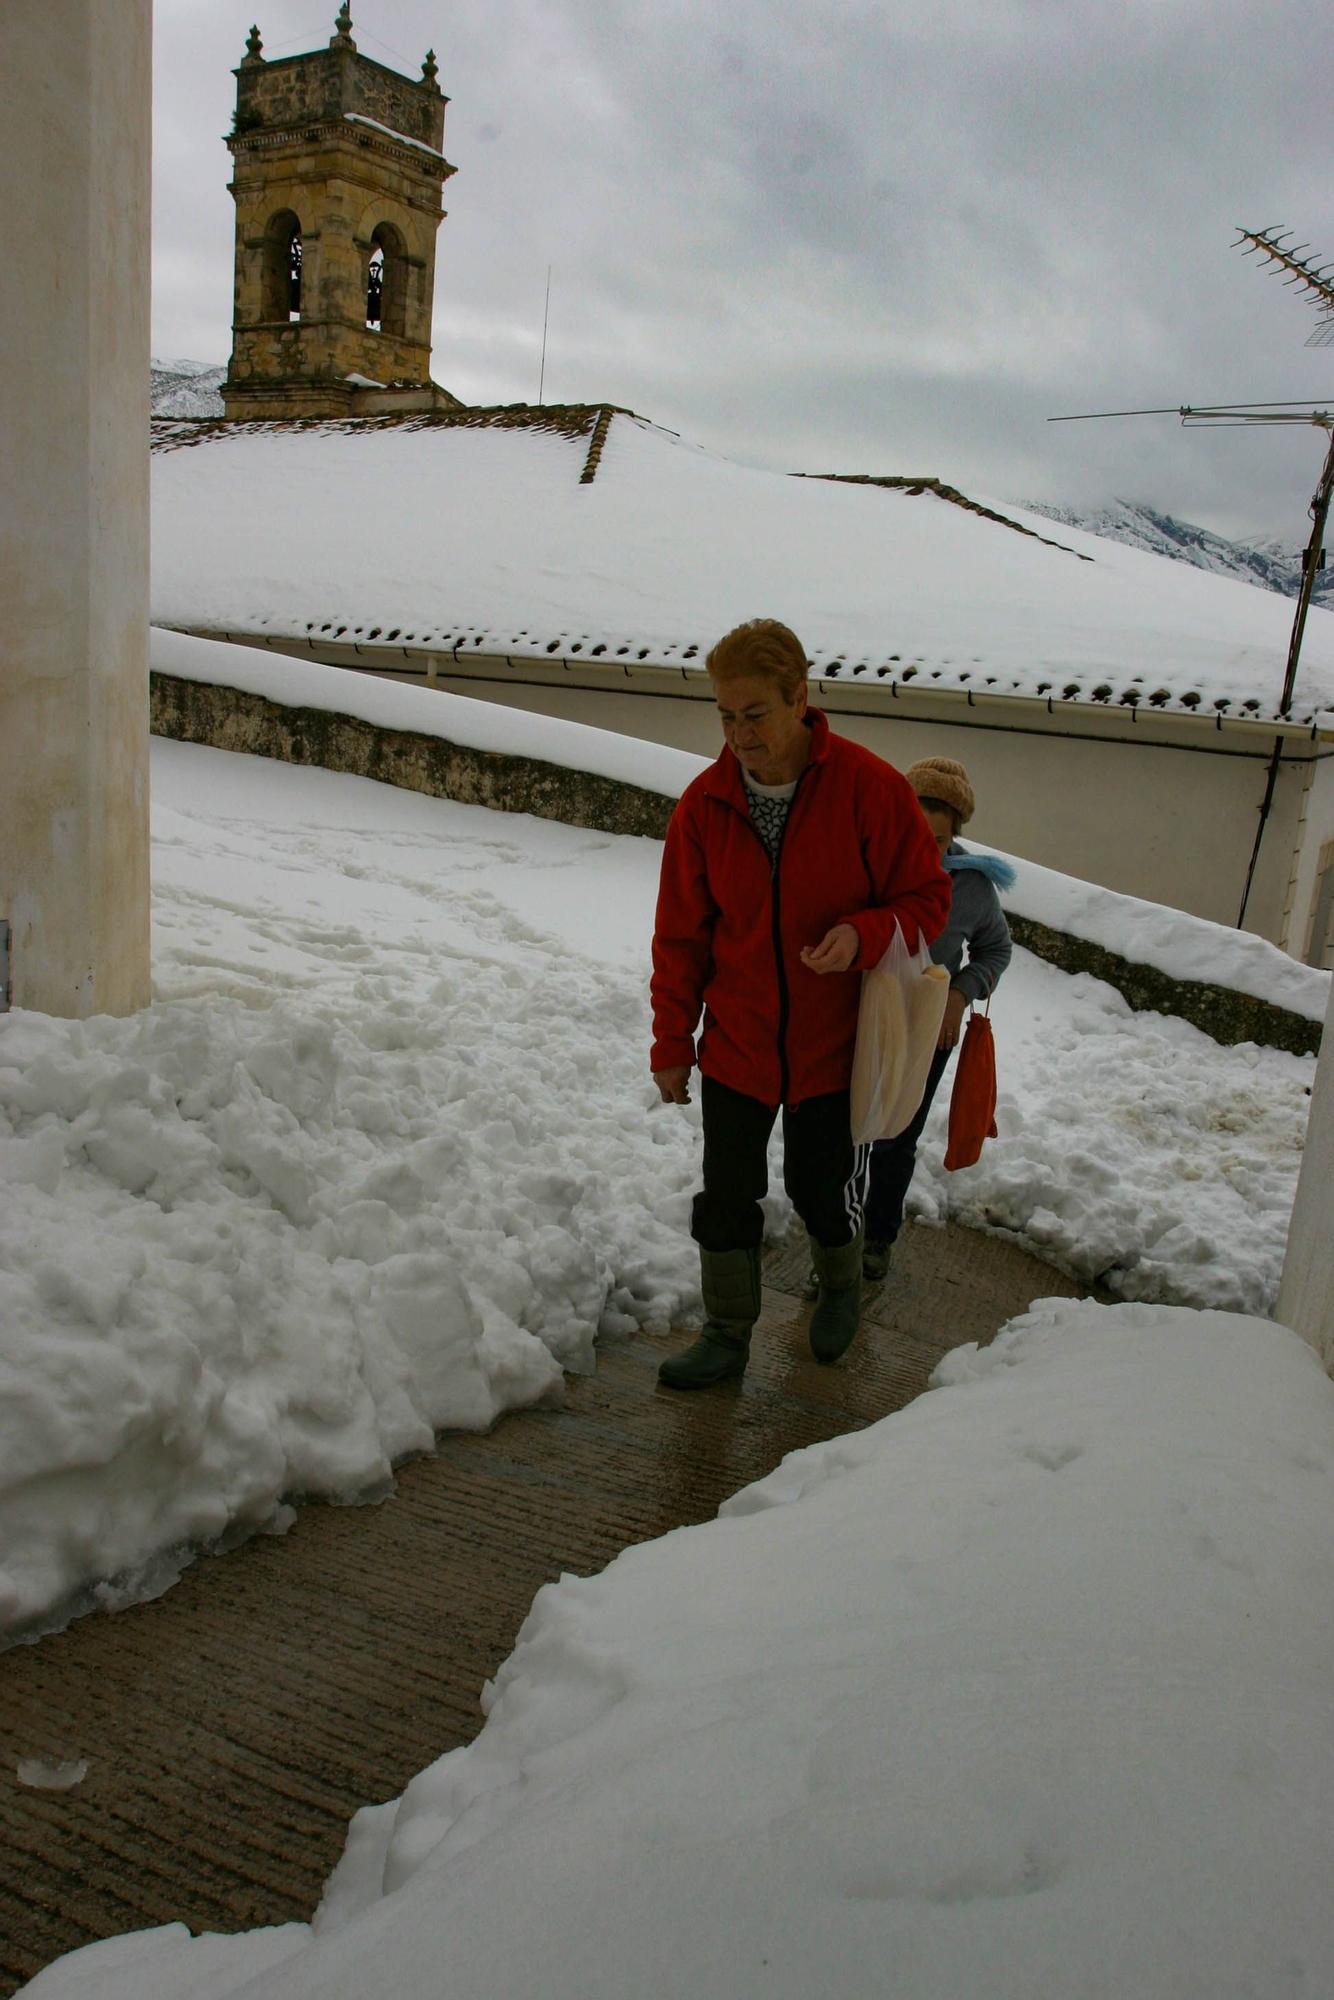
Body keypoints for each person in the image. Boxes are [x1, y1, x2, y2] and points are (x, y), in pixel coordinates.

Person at [650, 619, 951, 1390]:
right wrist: (672, 1043)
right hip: (739, 1046)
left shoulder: (868, 788)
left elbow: (928, 897)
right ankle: (725, 1335)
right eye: (724, 715)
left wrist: (865, 932)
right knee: (726, 1195)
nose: (738, 734)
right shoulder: (705, 805)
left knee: (823, 1190)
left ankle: (841, 1285)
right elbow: (680, 940)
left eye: (754, 714)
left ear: (799, 699)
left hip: (835, 1048)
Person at [860, 755, 1014, 1281]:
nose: (926, 852)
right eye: (915, 834)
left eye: (939, 843)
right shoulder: (867, 859)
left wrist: (959, 994)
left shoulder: (970, 885)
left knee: (897, 1133)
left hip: (928, 1024)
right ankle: (833, 1236)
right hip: (857, 1016)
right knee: (845, 1126)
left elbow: (995, 949)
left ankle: (876, 1237)